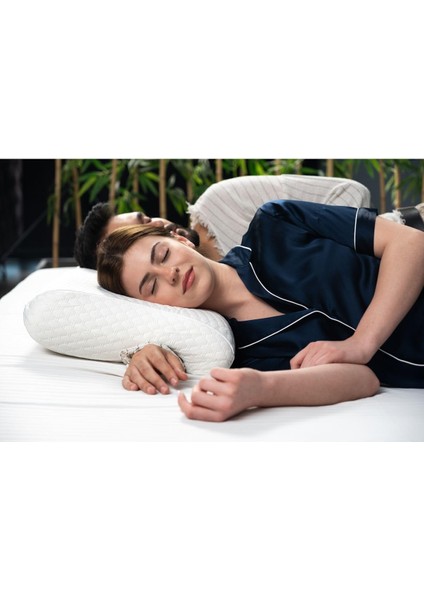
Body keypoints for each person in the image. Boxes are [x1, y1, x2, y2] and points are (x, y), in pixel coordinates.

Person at [96, 199, 424, 422]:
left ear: (182, 240)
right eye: (152, 286)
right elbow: (363, 380)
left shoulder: (275, 222)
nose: (171, 274)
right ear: (152, 307)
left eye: (163, 255)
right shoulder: (239, 353)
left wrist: (361, 342)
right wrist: (260, 389)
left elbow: (410, 243)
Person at [74, 174, 373, 268]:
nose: (158, 225)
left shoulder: (223, 202)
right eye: (139, 235)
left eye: (146, 218)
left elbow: (350, 192)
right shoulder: (186, 295)